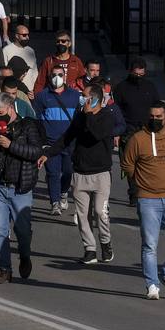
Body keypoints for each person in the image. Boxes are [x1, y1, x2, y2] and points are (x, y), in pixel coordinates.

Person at [46, 78, 118, 264]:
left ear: (93, 100)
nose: (81, 99)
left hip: (101, 174)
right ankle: (90, 249)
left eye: (84, 97)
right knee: (83, 214)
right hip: (80, 173)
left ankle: (105, 242)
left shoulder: (106, 116)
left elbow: (96, 134)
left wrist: (90, 115)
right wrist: (47, 153)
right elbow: (66, 138)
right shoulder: (80, 117)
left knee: (100, 212)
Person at [121, 101, 165, 299]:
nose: (155, 120)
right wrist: (141, 184)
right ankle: (152, 284)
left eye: (159, 117)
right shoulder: (138, 139)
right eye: (152, 116)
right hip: (147, 199)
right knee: (150, 244)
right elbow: (128, 164)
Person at [0, 93, 42, 284]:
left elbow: (36, 151)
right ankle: (4, 269)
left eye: (1, 112)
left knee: (22, 230)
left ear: (11, 108)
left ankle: (24, 255)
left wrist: (10, 145)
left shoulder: (27, 126)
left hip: (20, 187)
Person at [33, 67, 81, 214]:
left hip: (69, 142)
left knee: (68, 172)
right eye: (54, 75)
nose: (57, 77)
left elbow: (80, 118)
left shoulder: (74, 95)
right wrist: (41, 141)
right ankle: (54, 203)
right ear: (49, 77)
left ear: (65, 76)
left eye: (60, 75)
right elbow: (37, 120)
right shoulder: (42, 96)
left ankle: (63, 193)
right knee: (53, 173)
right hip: (50, 142)